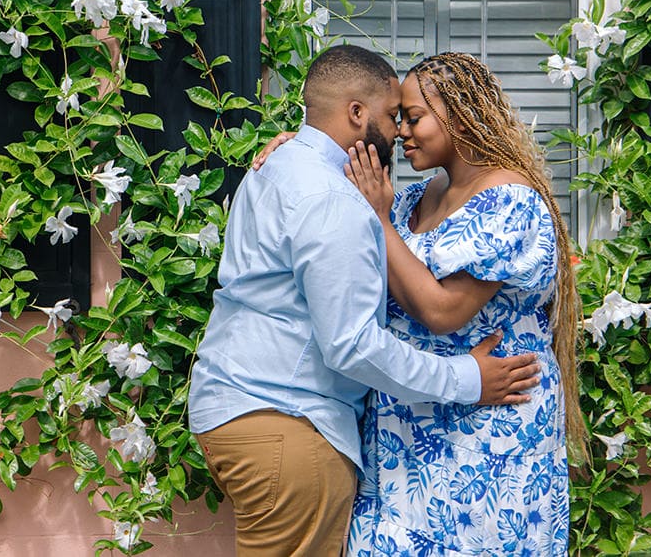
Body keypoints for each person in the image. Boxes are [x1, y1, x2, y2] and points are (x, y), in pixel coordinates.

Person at [187, 44, 540, 557]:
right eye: (395, 115)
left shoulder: (280, 165)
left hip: (242, 408)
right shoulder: (331, 197)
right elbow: (352, 346)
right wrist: (466, 378)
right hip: (288, 420)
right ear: (356, 113)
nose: (398, 130)